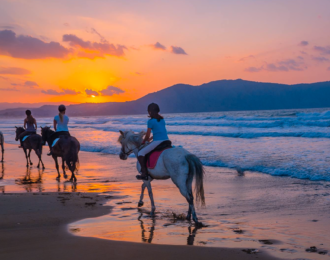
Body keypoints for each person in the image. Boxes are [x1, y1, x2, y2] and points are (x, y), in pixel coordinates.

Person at [136, 103, 169, 180]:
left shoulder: (150, 121)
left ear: (150, 112)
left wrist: (144, 141)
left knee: (141, 153)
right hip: (166, 140)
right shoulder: (162, 120)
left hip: (157, 142)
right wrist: (150, 139)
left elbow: (147, 135)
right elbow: (159, 132)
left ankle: (144, 173)